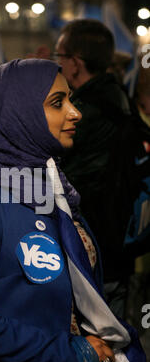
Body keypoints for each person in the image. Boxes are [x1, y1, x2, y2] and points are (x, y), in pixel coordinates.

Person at [0, 58, 145, 362]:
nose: (75, 113)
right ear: (18, 114)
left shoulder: (55, 191)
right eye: (57, 102)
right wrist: (69, 353)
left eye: (71, 99)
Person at [55, 19, 134, 318]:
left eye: (59, 57)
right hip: (115, 246)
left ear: (74, 64)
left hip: (92, 250)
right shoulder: (116, 97)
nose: (57, 65)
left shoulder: (84, 113)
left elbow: (64, 179)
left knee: (96, 348)